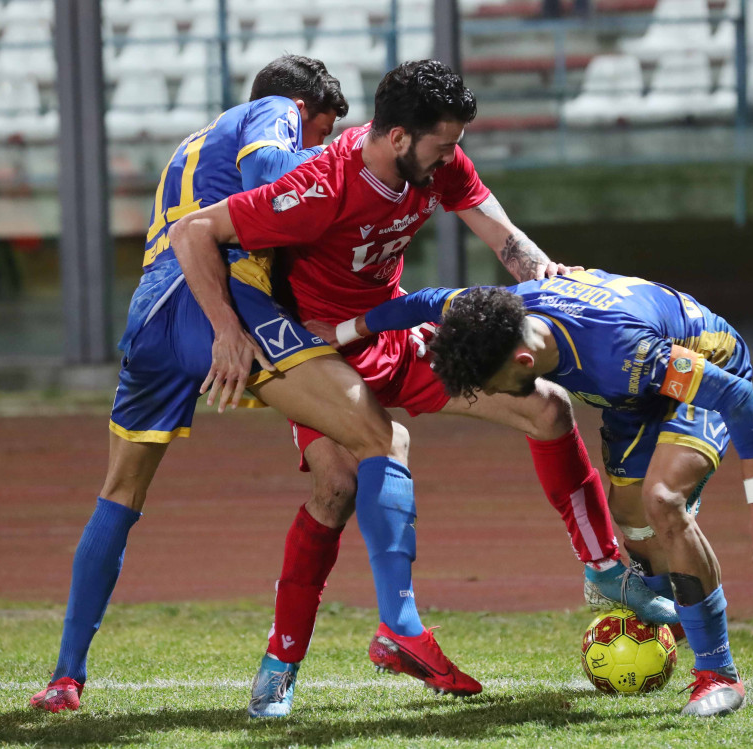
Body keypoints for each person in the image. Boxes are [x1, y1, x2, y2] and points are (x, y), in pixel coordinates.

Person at [170, 60, 677, 718]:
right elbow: (194, 231)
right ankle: (282, 664)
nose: (452, 156)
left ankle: (604, 568)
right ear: (399, 137)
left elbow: (505, 240)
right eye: (443, 144)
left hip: (390, 328)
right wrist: (225, 331)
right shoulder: (321, 186)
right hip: (319, 350)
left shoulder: (439, 162)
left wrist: (554, 278)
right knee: (336, 488)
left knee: (548, 407)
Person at [27, 56, 476, 714]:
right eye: (323, 129)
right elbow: (269, 176)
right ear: (303, 107)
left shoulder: (199, 140)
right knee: (381, 437)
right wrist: (345, 169)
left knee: (120, 494)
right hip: (220, 305)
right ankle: (400, 625)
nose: (324, 142)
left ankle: (66, 676)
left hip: (149, 317)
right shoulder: (273, 111)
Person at [317, 269, 753, 716]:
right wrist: (342, 335)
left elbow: (735, 396)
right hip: (636, 395)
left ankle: (719, 675)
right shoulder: (493, 313)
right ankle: (677, 612)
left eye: (495, 385)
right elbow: (422, 301)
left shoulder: (622, 353)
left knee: (662, 500)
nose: (499, 396)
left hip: (707, 364)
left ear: (523, 359)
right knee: (632, 520)